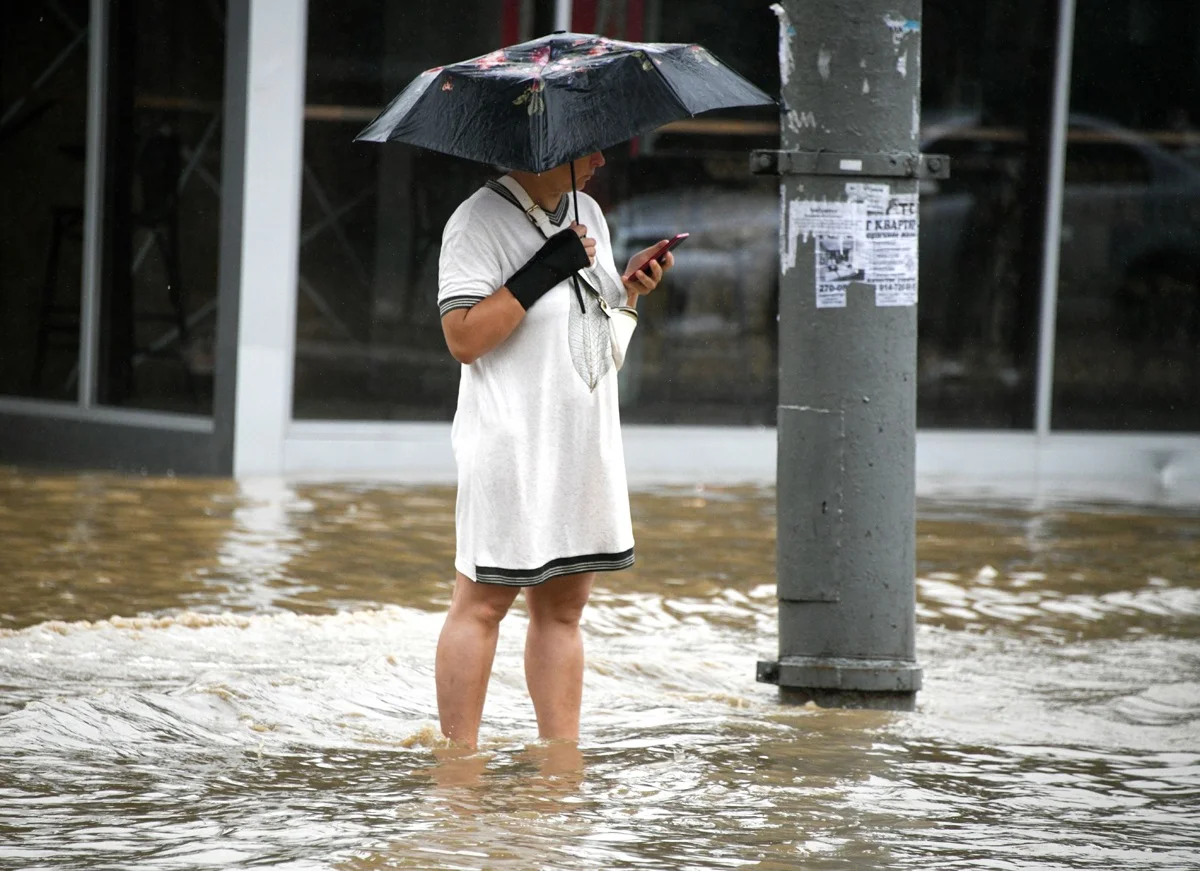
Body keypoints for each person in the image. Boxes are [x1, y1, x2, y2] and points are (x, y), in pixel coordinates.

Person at [434, 150, 674, 749]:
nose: (597, 159)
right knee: (483, 605)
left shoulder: (587, 210)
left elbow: (592, 337)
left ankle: (560, 766)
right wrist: (543, 269)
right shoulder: (475, 222)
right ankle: (459, 766)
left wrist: (629, 292)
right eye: (583, 149)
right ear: (537, 152)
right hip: (511, 441)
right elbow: (463, 339)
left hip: (580, 441)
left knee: (565, 611)